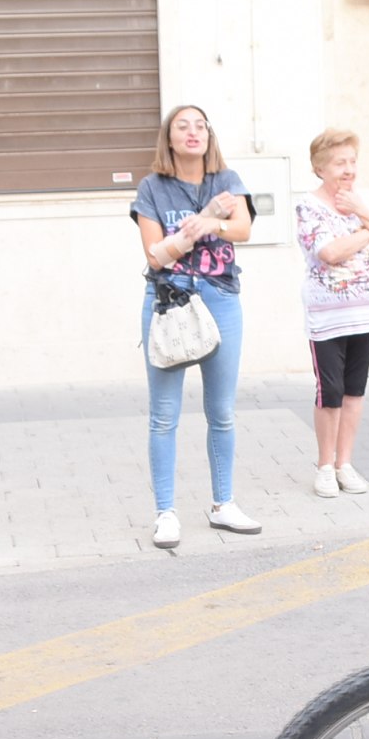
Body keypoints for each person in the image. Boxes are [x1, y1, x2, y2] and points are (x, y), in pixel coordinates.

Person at [132, 103, 259, 550]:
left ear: (209, 136)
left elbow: (242, 229)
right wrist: (200, 224)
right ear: (169, 138)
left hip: (221, 298)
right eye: (182, 127)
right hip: (168, 302)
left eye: (200, 126)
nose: (193, 132)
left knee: (221, 412)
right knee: (164, 416)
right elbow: (155, 256)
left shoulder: (227, 180)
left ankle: (223, 504)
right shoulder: (152, 188)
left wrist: (213, 221)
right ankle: (165, 513)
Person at [294, 127, 369, 499]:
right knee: (331, 392)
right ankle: (325, 465)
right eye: (340, 163)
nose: (348, 170)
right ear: (320, 168)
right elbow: (330, 253)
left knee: (355, 391)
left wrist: (362, 212)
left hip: (364, 313)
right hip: (327, 316)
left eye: (352, 161)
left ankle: (345, 464)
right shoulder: (309, 206)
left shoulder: (366, 199)